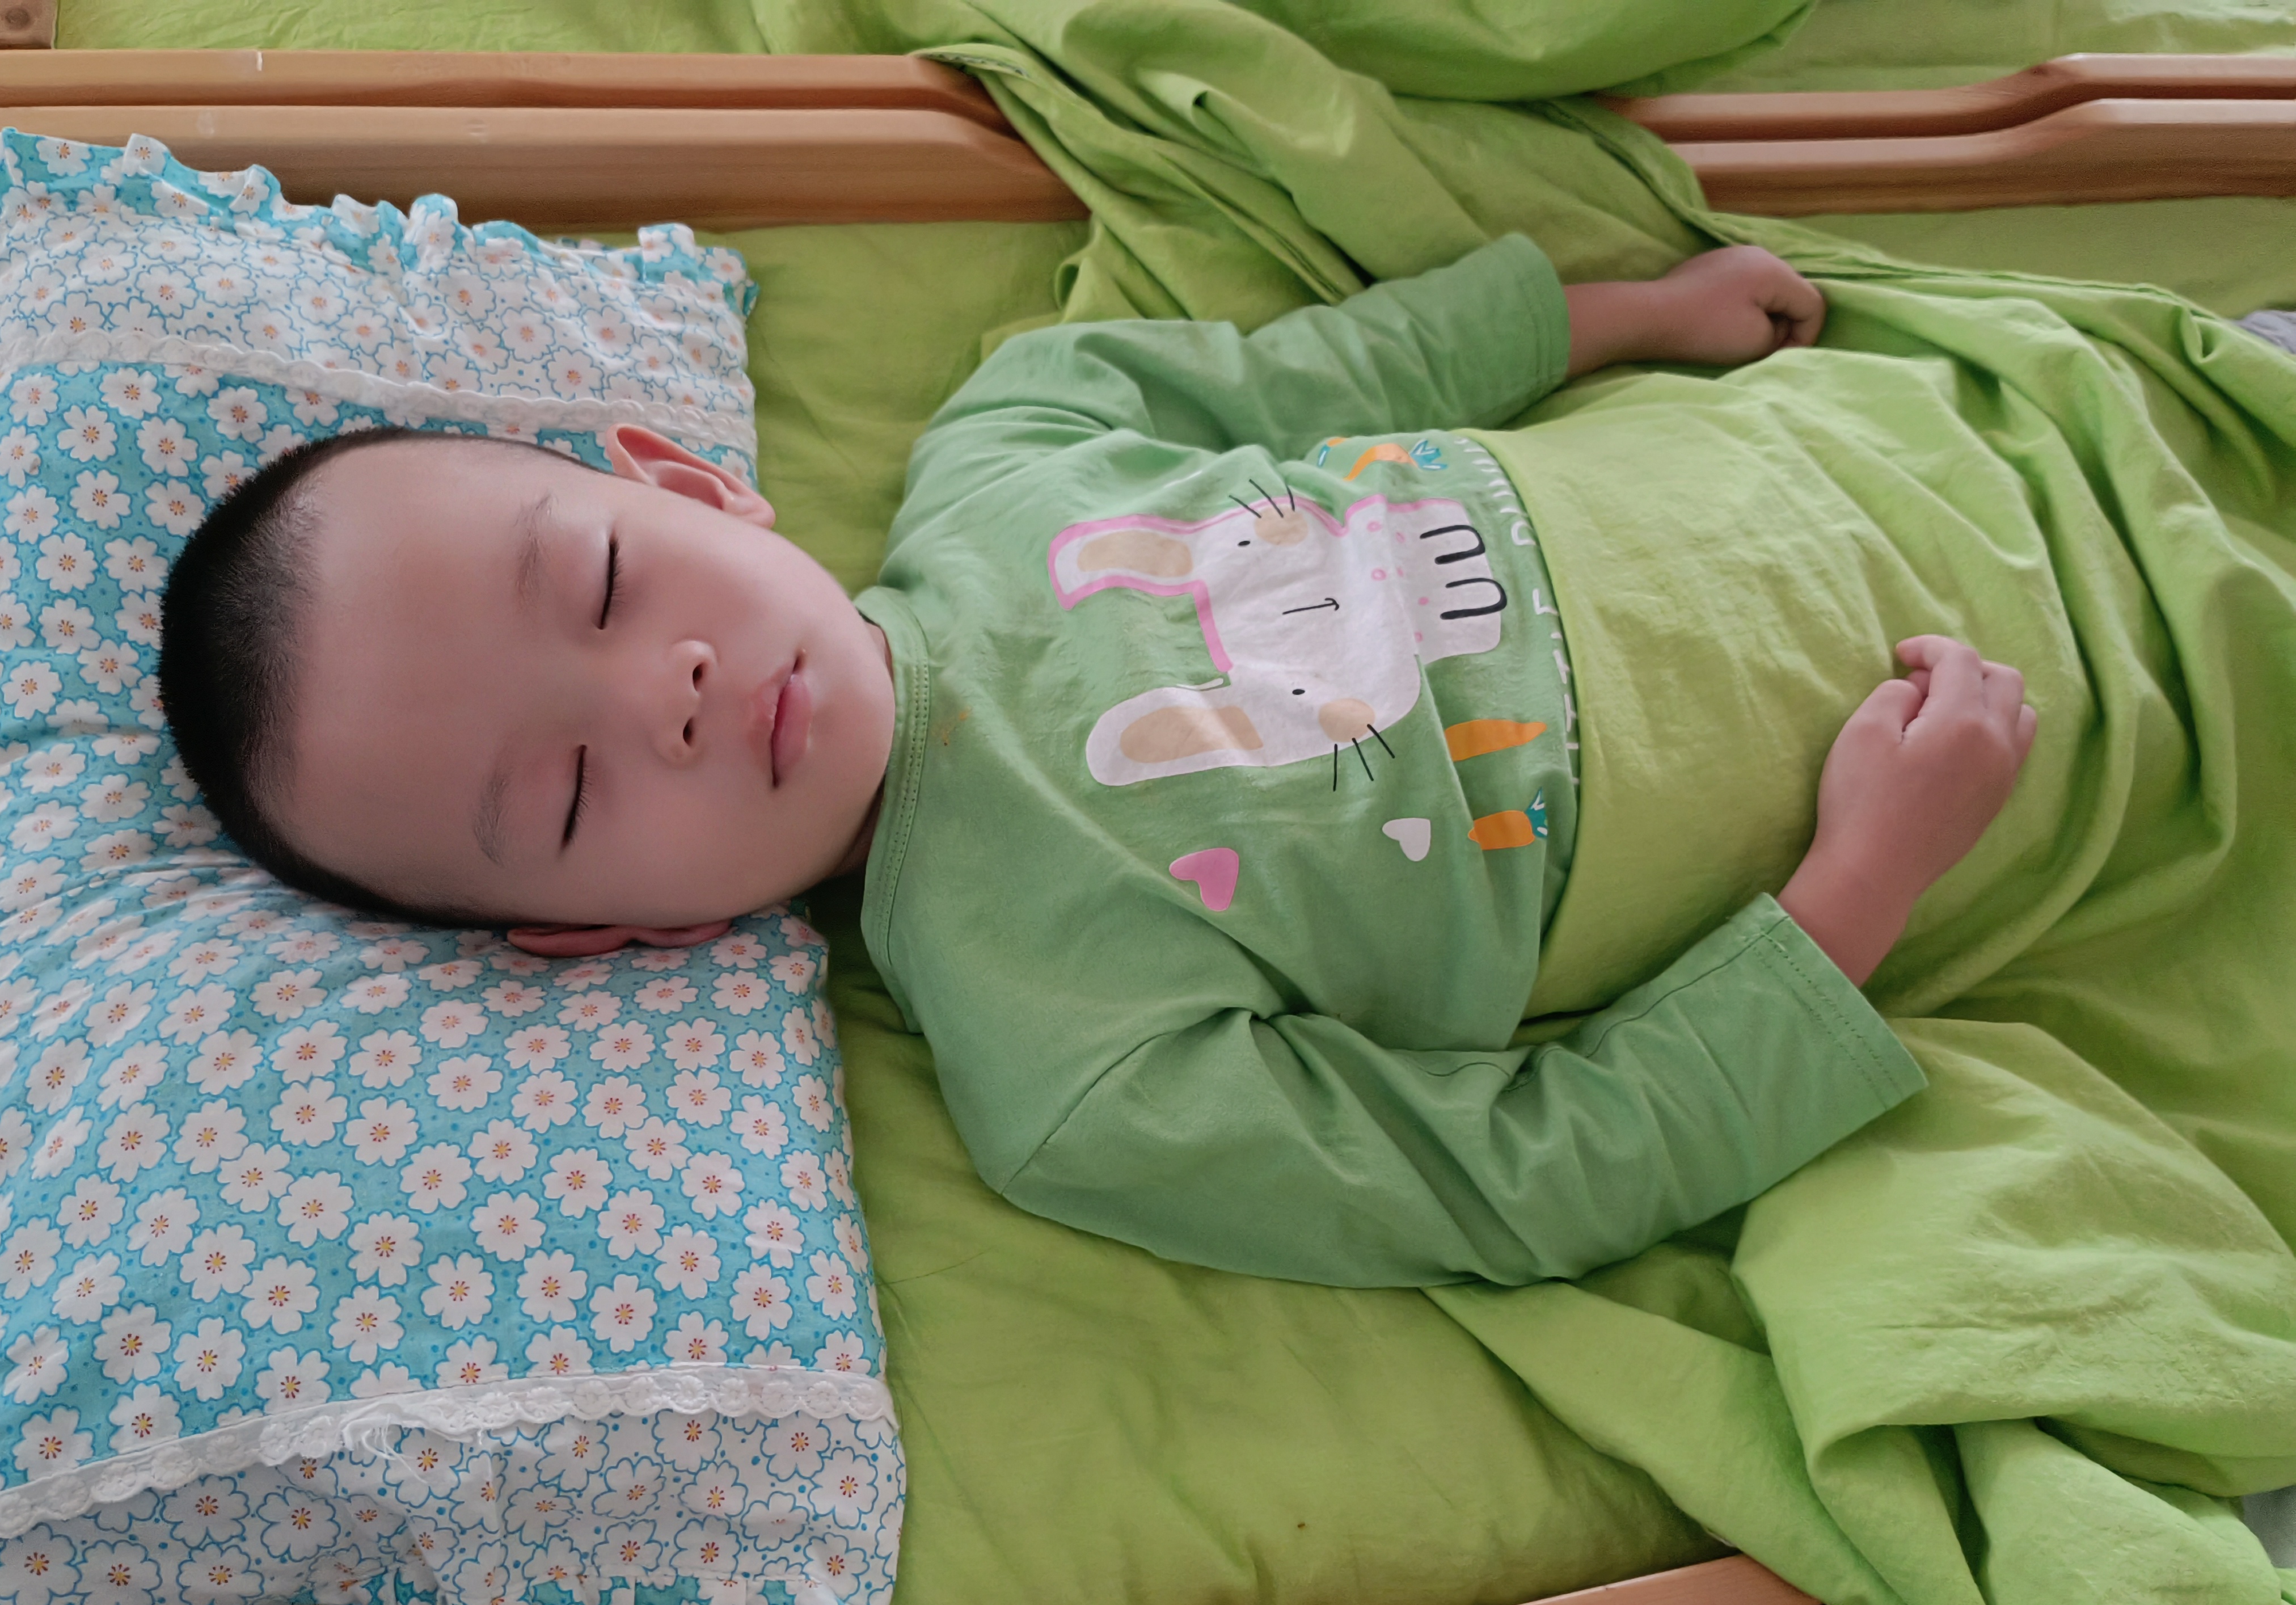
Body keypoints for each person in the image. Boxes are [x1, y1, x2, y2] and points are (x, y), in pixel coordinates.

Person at [161, 235, 2040, 1288]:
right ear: (608, 938)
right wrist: (1862, 883)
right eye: (573, 798)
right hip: (1903, 773)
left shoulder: (1018, 431)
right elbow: (1515, 1179)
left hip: (1805, 454)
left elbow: (1329, 373)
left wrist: (1621, 314)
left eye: (602, 584)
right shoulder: (1061, 1068)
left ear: (687, 483)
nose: (671, 694)